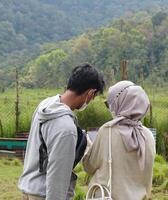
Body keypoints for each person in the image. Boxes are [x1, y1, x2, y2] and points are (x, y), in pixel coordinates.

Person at [19, 64, 105, 200]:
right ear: (90, 93)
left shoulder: (45, 105)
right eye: (93, 97)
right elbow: (57, 178)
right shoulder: (66, 129)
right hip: (44, 194)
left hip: (29, 188)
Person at [83, 80, 156, 200]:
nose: (109, 108)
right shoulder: (148, 135)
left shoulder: (108, 131)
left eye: (109, 104)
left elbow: (89, 166)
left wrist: (87, 145)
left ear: (119, 103)